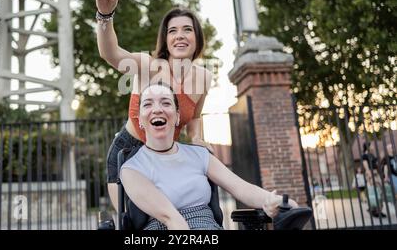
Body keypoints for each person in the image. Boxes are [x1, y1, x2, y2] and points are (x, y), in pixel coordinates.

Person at [95, 0, 214, 211]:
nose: (180, 35)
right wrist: (105, 14)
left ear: (197, 38)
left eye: (187, 30)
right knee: (136, 225)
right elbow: (110, 52)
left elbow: (194, 117)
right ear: (165, 39)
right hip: (129, 155)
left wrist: (197, 138)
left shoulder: (204, 77)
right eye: (172, 31)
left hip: (169, 158)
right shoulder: (149, 66)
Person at [120, 82, 299, 230]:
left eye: (166, 103)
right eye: (148, 104)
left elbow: (242, 188)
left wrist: (273, 201)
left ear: (176, 117)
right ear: (140, 120)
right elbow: (170, 218)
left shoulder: (199, 155)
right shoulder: (131, 169)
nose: (157, 109)